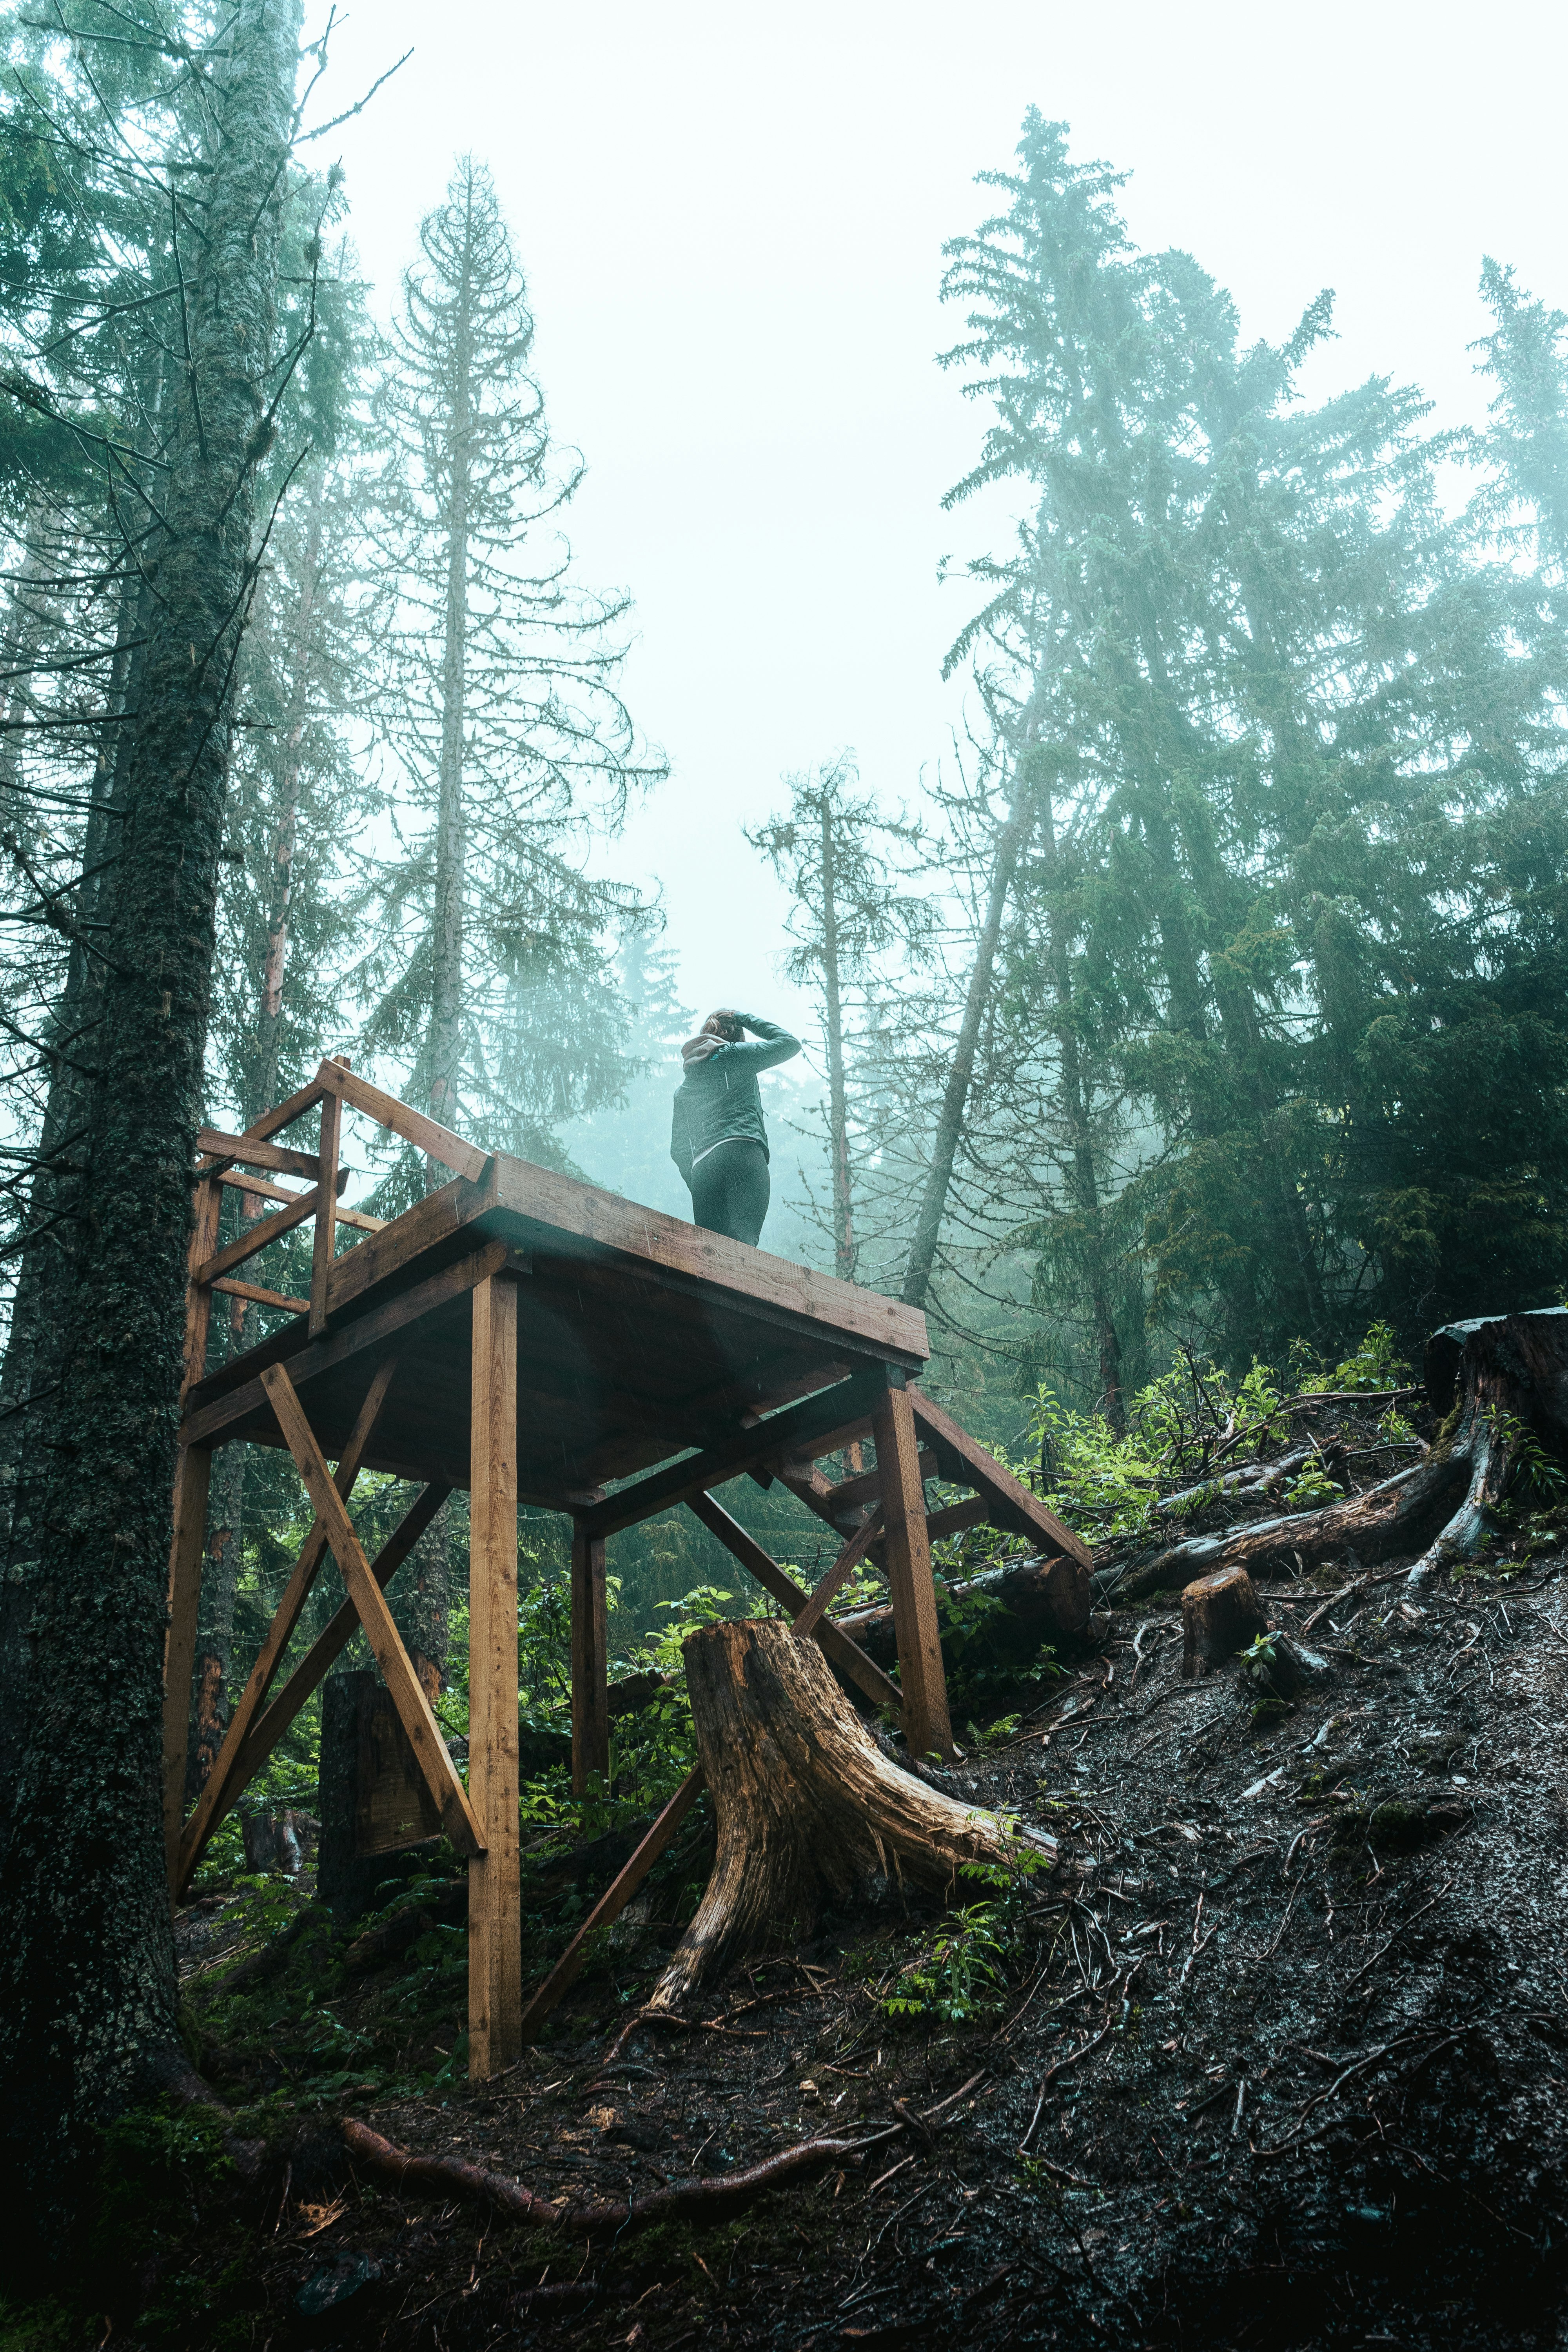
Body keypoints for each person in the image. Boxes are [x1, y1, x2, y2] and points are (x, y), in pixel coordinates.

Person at [670, 1007, 801, 1247]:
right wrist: (743, 1018)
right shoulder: (736, 1054)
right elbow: (789, 1044)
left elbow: (678, 1149)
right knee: (743, 1245)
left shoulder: (683, 1089)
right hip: (742, 1150)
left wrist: (701, 1185)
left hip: (702, 1168)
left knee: (710, 1257)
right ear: (735, 1034)